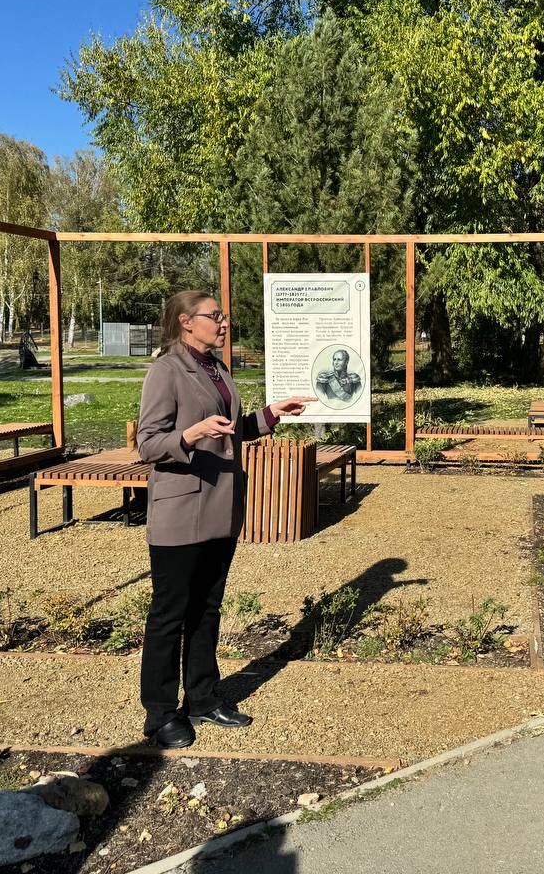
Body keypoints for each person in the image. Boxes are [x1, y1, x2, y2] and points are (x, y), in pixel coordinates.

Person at [135, 290, 314, 749]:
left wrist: (273, 414)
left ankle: (202, 697)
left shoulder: (217, 370)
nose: (223, 322)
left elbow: (233, 432)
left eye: (223, 315)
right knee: (169, 614)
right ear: (184, 321)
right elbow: (149, 445)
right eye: (214, 316)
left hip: (220, 507)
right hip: (180, 511)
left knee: (207, 608)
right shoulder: (166, 370)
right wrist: (190, 435)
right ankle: (159, 714)